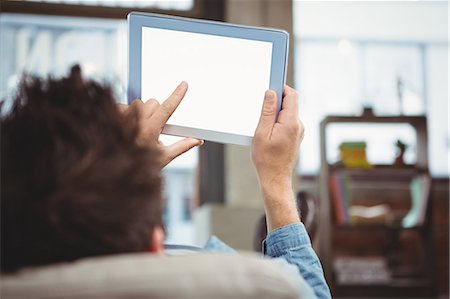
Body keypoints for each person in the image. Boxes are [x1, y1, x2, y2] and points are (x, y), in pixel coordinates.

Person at [1, 66, 331, 299]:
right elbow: (305, 293)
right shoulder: (251, 286)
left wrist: (128, 173)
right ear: (154, 245)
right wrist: (275, 180)